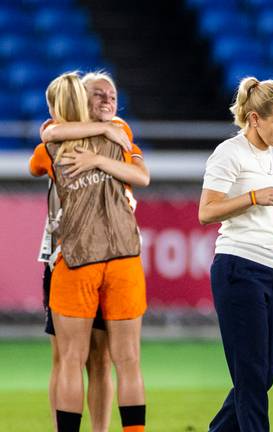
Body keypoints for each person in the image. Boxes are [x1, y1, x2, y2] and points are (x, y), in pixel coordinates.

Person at [28, 72, 148, 432]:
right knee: (113, 360)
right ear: (81, 100)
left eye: (112, 94)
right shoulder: (111, 134)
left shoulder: (112, 131)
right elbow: (50, 131)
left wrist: (94, 159)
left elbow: (39, 157)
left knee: (79, 359)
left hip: (76, 257)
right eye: (99, 95)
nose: (108, 101)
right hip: (114, 254)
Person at [199, 77, 273, 432]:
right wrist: (252, 197)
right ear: (254, 119)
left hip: (272, 268)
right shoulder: (230, 152)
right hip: (238, 267)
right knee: (253, 377)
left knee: (262, 374)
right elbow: (207, 212)